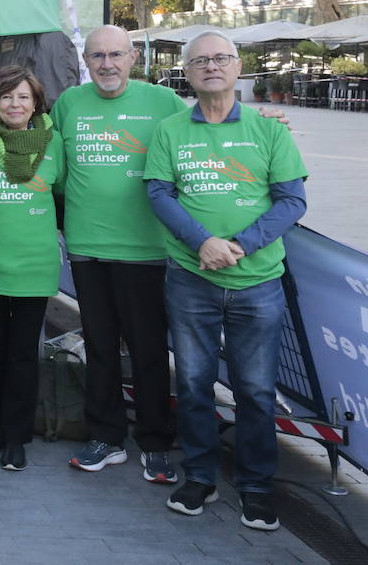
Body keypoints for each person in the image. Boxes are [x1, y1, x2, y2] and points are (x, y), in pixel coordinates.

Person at [145, 29, 307, 532]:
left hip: (257, 281)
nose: (211, 66)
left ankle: (257, 488)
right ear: (187, 73)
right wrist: (203, 243)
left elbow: (292, 200)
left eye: (221, 58)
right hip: (191, 278)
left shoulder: (269, 130)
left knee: (255, 390)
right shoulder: (171, 130)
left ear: (238, 68)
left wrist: (239, 245)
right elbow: (159, 193)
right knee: (193, 384)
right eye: (201, 61)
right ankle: (200, 477)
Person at [51, 25, 190, 481]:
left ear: (133, 58)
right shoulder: (70, 103)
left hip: (145, 251)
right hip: (88, 249)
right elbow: (52, 166)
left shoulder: (164, 103)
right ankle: (106, 437)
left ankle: (154, 442)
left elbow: (206, 136)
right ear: (84, 62)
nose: (106, 64)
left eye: (115, 55)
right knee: (100, 349)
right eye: (97, 56)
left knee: (149, 350)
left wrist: (264, 122)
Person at [0, 65, 64, 472]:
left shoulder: (55, 143)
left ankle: (17, 435)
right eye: (6, 97)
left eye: (23, 97)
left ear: (36, 102)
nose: (15, 104)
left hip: (33, 263)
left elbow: (63, 193)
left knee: (24, 353)